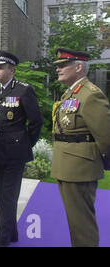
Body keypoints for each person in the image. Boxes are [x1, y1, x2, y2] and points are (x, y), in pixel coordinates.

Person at [51, 48, 110, 247]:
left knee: (82, 225)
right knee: (75, 223)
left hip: (81, 168)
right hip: (68, 166)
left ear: (78, 67)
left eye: (62, 65)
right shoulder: (72, 92)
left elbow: (106, 136)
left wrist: (101, 161)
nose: (58, 69)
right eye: (58, 66)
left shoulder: (90, 95)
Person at [0, 51, 44, 247]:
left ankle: (3, 240)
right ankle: (10, 233)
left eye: (1, 67)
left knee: (9, 196)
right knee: (1, 195)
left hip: (15, 154)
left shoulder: (23, 90)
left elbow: (37, 121)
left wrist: (25, 144)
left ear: (11, 70)